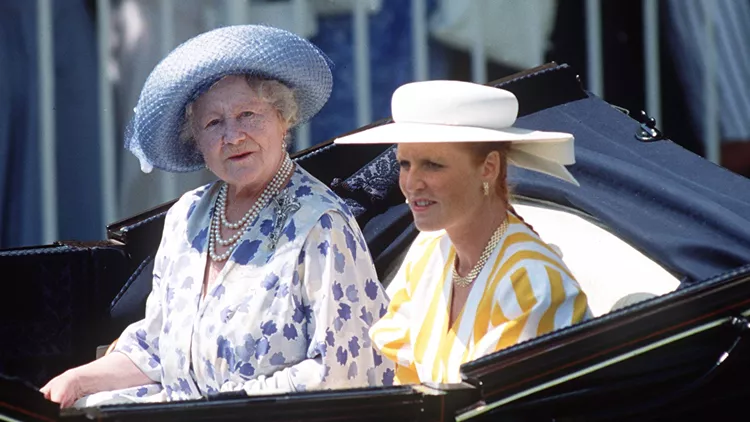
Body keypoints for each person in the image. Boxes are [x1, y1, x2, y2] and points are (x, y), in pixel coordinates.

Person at [40, 24, 394, 408]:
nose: (233, 136)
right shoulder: (186, 216)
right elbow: (155, 349)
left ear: (283, 118)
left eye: (248, 114)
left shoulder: (321, 225)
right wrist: (76, 380)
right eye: (213, 123)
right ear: (197, 141)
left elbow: (342, 371)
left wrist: (217, 409)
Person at [334, 80, 592, 384]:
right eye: (404, 164)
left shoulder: (531, 283)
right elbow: (400, 377)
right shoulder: (429, 251)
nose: (411, 183)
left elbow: (498, 402)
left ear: (488, 167)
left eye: (432, 165)